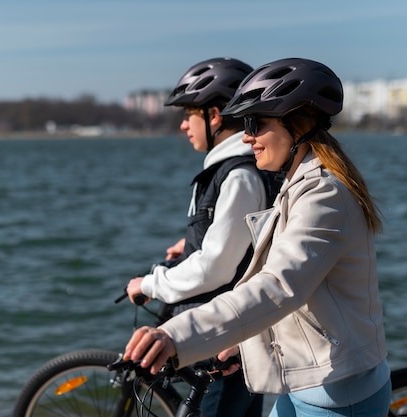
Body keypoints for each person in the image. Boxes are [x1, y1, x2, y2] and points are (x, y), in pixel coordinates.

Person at [123, 58, 391, 417]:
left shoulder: (323, 195)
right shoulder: (298, 184)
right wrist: (241, 343)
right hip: (307, 383)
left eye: (255, 123)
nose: (245, 135)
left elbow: (278, 287)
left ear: (296, 126)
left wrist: (177, 336)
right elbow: (302, 296)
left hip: (337, 394)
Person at [126, 57, 268, 417]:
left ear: (215, 115)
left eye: (189, 114)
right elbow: (234, 239)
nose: (183, 125)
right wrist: (187, 245)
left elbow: (216, 268)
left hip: (224, 341)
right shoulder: (233, 170)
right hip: (231, 334)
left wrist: (151, 283)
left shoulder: (238, 175)